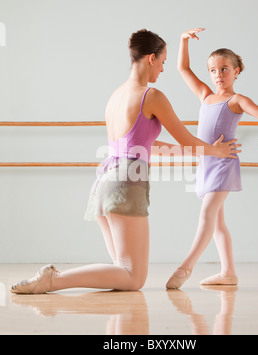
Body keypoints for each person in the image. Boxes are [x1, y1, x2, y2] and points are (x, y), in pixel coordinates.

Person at [11, 29, 241, 294]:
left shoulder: (117, 95)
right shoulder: (151, 96)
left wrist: (191, 151)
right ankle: (53, 279)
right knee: (133, 278)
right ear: (152, 58)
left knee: (123, 271)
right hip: (125, 183)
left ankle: (53, 280)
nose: (164, 70)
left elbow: (140, 144)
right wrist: (217, 151)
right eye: (163, 62)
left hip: (104, 183)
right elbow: (188, 141)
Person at [166, 28, 258, 289]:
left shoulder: (237, 100)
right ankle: (228, 272)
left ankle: (187, 266)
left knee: (207, 213)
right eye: (213, 70)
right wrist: (184, 40)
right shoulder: (206, 96)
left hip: (224, 163)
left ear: (236, 70)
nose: (218, 75)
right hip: (206, 162)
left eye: (224, 69)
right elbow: (183, 68)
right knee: (218, 221)